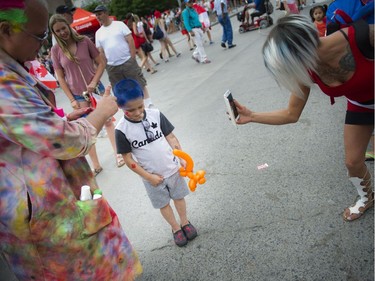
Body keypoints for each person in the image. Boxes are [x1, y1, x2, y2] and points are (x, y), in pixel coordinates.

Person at [0, 0, 142, 279]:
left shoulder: (12, 70)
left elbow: (31, 135)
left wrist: (66, 120)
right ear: (6, 30)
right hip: (44, 216)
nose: (42, 44)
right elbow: (65, 141)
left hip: (52, 203)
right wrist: (100, 113)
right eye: (39, 35)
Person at [234, 15, 374, 222]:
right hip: (362, 105)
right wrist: (252, 116)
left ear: (297, 54)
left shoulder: (364, 36)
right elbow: (292, 113)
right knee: (353, 162)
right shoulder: (307, 69)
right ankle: (367, 197)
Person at [113, 78, 198, 247]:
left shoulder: (155, 114)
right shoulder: (121, 130)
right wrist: (148, 177)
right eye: (131, 110)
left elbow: (171, 137)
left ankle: (185, 222)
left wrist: (181, 157)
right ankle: (175, 228)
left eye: (140, 107)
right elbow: (128, 159)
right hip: (151, 177)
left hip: (172, 168)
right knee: (163, 203)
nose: (138, 112)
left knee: (179, 197)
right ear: (120, 107)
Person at [50, 14, 125, 172]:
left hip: (96, 89)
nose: (62, 32)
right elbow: (60, 78)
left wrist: (93, 82)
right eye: (58, 31)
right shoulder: (55, 50)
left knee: (108, 121)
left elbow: (101, 63)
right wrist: (71, 99)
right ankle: (96, 164)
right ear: (54, 33)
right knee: (86, 128)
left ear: (68, 26)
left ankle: (118, 154)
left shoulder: (84, 41)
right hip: (77, 95)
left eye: (64, 28)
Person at [94, 5, 154, 108]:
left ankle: (148, 103)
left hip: (127, 61)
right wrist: (106, 65)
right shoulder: (98, 33)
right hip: (112, 66)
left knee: (138, 82)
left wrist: (132, 58)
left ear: (106, 13)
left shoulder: (119, 25)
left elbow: (130, 40)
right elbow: (101, 51)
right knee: (119, 88)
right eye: (96, 15)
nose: (98, 17)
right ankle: (128, 108)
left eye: (99, 14)